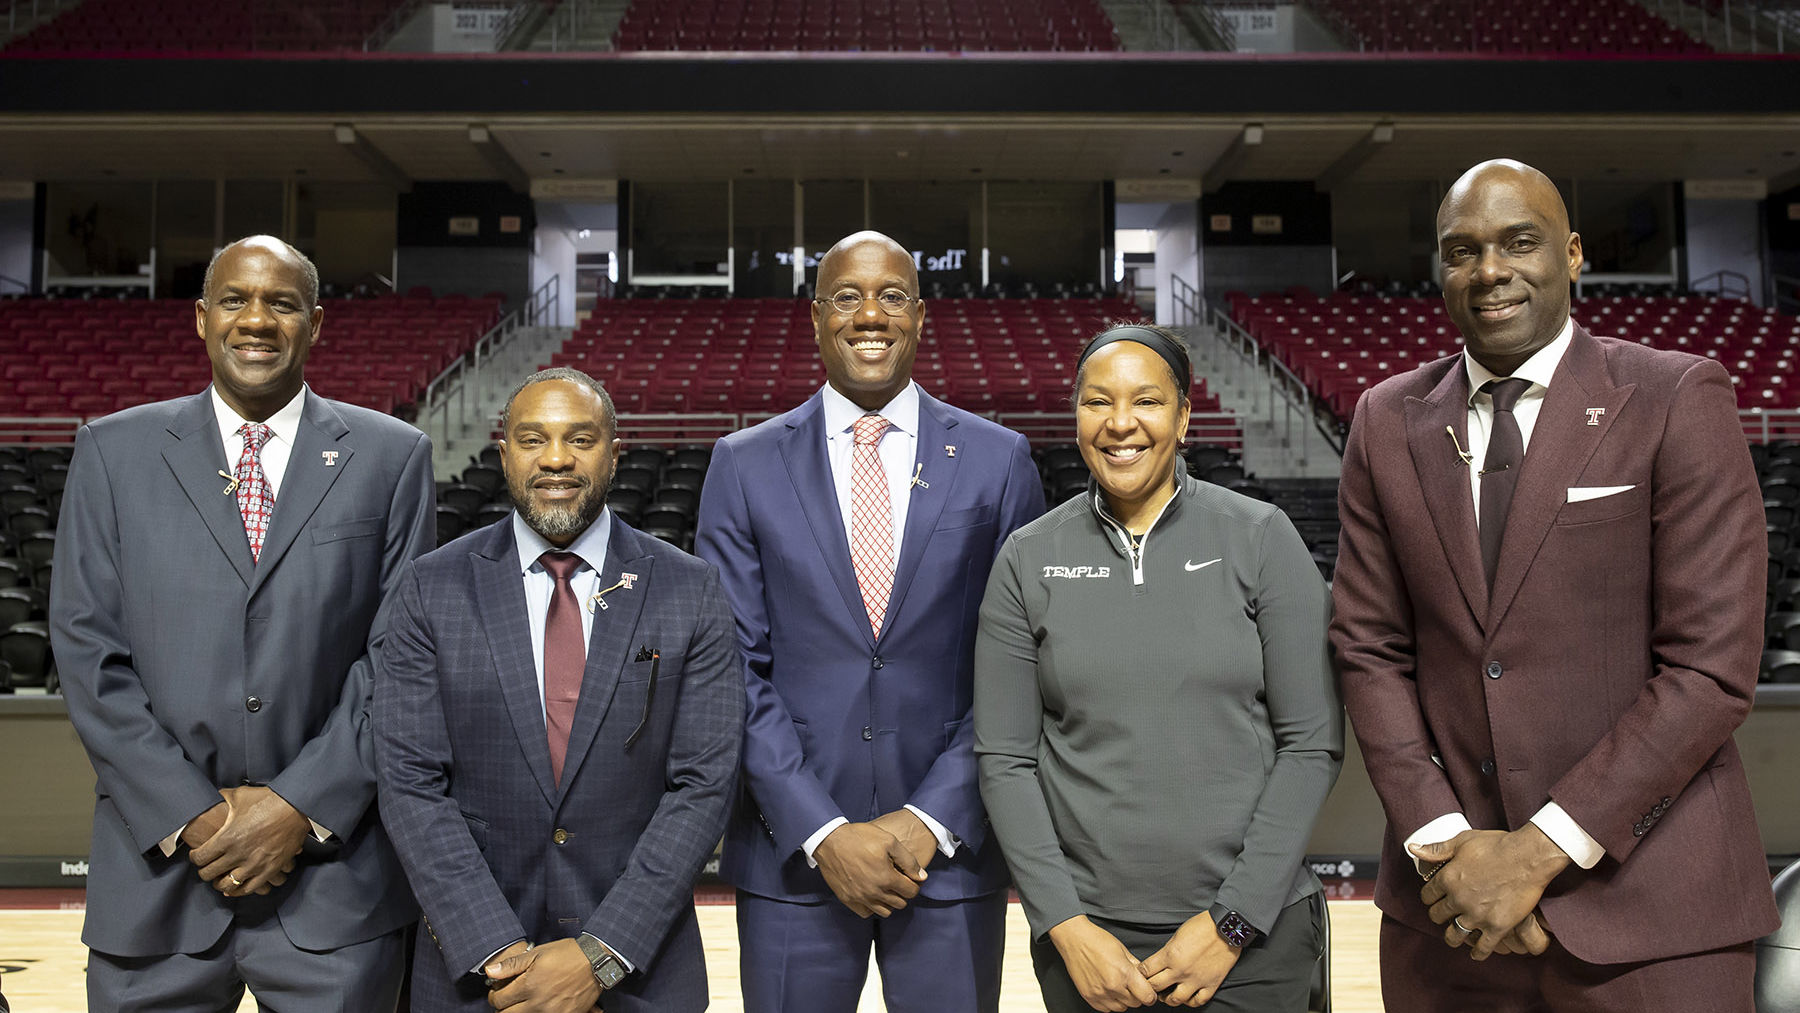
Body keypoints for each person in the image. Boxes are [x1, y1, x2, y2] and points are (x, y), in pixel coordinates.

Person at [1331, 158, 1780, 1010]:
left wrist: (1534, 854)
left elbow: (1710, 667)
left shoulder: (1675, 395)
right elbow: (1367, 645)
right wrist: (1448, 846)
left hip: (1654, 918)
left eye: (1519, 242)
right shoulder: (1386, 418)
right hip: (1448, 917)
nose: (1490, 270)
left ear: (1572, 254)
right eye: (1461, 251)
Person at [50, 235, 432, 1009]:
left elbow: (398, 662)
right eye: (235, 300)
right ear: (200, 318)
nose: (256, 320)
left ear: (317, 323)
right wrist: (196, 819)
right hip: (157, 887)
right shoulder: (111, 452)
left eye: (282, 303)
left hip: (334, 888)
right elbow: (89, 655)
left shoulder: (394, 457)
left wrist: (295, 809)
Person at [695, 230, 1045, 1013]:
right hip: (793, 855)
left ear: (921, 315)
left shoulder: (1000, 460)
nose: (870, 314)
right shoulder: (743, 464)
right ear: (816, 316)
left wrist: (930, 819)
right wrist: (822, 829)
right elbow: (729, 667)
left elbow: (1021, 665)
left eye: (891, 295)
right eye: (848, 296)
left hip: (948, 856)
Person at [974, 324, 1342, 1012]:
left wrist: (1233, 920)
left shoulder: (1262, 537)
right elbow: (1005, 759)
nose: (1120, 424)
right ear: (1075, 414)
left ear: (1183, 415)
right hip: (1091, 949)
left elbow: (1312, 744)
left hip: (1252, 937)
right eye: (1096, 402)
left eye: (1146, 401)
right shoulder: (1027, 558)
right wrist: (1064, 924)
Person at [375, 367, 744, 1012]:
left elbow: (704, 784)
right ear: (503, 454)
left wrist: (601, 951)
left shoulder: (692, 590)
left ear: (614, 451)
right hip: (473, 973)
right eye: (532, 439)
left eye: (580, 438)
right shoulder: (431, 588)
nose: (555, 460)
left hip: (641, 966)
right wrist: (496, 951)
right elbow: (409, 782)